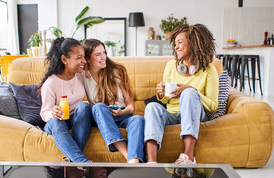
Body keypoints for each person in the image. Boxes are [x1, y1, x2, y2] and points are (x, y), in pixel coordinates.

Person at [144, 24, 218, 164]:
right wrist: (161, 94)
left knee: (189, 93)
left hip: (195, 115)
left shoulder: (209, 69)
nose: (176, 47)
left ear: (193, 43)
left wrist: (192, 91)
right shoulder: (171, 66)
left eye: (180, 42)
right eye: (175, 43)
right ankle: (151, 162)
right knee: (152, 107)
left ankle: (188, 157)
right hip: (172, 115)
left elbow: (213, 106)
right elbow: (166, 100)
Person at [82, 39, 145, 163]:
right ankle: (128, 156)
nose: (103, 57)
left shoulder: (117, 71)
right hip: (101, 118)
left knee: (138, 119)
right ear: (88, 58)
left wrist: (121, 112)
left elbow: (131, 106)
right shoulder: (82, 75)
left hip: (122, 116)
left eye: (104, 52)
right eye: (98, 54)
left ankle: (134, 161)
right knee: (98, 107)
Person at [39, 37, 92, 162]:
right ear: (64, 59)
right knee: (55, 121)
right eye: (79, 58)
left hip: (76, 119)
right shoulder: (51, 83)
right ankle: (81, 161)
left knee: (84, 107)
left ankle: (73, 158)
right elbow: (44, 113)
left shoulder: (81, 75)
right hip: (58, 123)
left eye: (84, 57)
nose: (84, 61)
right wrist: (52, 112)